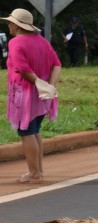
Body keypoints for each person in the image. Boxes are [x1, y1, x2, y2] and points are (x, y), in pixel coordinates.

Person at [2, 9, 62, 184]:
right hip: (43, 96)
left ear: (17, 25)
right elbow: (57, 65)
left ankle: (34, 174)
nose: (9, 25)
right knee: (35, 131)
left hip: (25, 95)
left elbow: (23, 69)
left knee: (27, 132)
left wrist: (38, 83)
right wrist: (49, 86)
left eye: (11, 22)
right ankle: (38, 171)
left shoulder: (16, 43)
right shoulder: (42, 41)